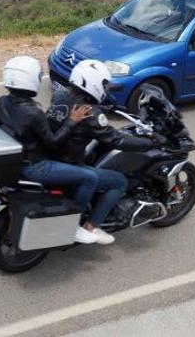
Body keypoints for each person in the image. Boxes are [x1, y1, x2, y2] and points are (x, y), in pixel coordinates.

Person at [48, 60, 167, 243]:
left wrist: (102, 107)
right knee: (119, 181)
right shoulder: (90, 113)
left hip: (53, 154)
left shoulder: (60, 95)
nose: (106, 88)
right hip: (70, 162)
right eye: (104, 84)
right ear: (93, 83)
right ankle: (91, 227)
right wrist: (149, 143)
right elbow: (116, 139)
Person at [0, 56, 103, 245]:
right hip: (36, 166)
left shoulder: (2, 101)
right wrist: (72, 121)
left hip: (12, 161)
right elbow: (53, 143)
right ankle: (75, 226)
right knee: (90, 177)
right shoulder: (34, 112)